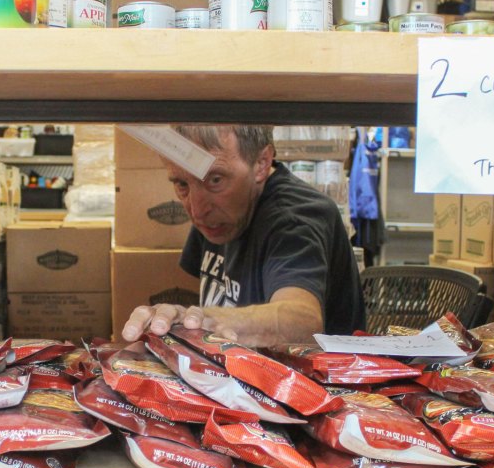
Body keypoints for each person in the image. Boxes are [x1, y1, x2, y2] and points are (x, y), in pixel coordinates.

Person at [120, 125, 365, 346]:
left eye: (215, 179)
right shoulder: (218, 211)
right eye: (181, 184)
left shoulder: (294, 219)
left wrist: (204, 320)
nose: (196, 210)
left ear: (261, 162)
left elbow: (302, 321)